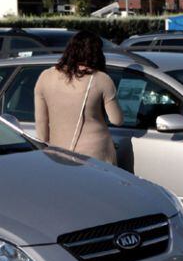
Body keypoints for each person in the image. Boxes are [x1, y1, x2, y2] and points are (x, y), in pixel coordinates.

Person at [34, 30, 124, 164]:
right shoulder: (101, 79)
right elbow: (117, 120)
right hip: (96, 153)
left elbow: (41, 123)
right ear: (97, 54)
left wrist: (47, 151)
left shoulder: (45, 77)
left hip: (58, 153)